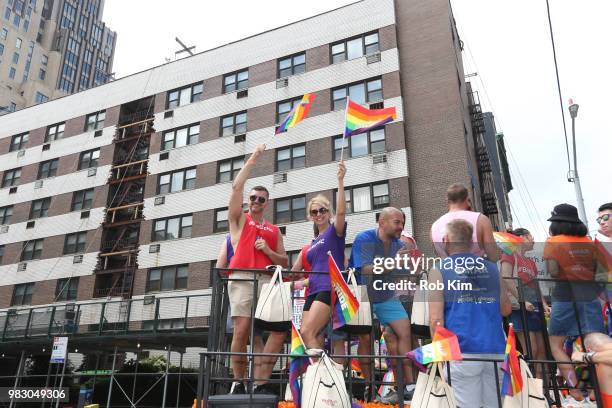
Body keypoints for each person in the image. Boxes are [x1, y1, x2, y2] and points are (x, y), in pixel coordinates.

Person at [428, 219, 512, 408]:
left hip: (461, 350)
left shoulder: (438, 270)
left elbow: (435, 320)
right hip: (495, 349)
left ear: (446, 239)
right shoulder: (492, 269)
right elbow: (505, 309)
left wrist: (438, 356)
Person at [226, 144, 288, 395]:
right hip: (242, 278)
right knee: (242, 329)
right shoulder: (240, 219)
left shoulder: (274, 229)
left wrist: (269, 252)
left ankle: (261, 382)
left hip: (267, 282)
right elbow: (236, 187)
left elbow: (283, 260)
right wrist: (255, 157)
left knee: (274, 331)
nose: (256, 201)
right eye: (252, 198)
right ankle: (238, 380)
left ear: (267, 203)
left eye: (261, 199)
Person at [544, 203, 607, 407]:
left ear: (557, 223)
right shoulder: (589, 242)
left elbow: (553, 271)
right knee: (594, 344)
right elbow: (602, 273)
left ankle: (573, 388)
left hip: (564, 296)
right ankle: (594, 391)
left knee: (556, 345)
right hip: (589, 297)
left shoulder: (553, 241)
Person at [351, 207, 417, 401]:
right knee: (365, 340)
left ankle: (408, 385)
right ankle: (369, 386)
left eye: (402, 223)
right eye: (397, 222)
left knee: (404, 330)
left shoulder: (399, 244)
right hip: (363, 294)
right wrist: (393, 264)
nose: (401, 226)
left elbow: (400, 272)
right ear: (382, 222)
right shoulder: (364, 238)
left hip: (386, 296)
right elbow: (364, 269)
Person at [293, 161, 347, 350]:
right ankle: (320, 373)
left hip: (328, 288)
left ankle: (321, 373)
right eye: (314, 212)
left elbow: (341, 212)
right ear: (311, 216)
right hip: (313, 290)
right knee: (307, 333)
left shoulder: (334, 232)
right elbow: (302, 273)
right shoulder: (313, 242)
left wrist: (340, 181)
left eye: (322, 210)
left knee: (309, 331)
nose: (318, 214)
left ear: (328, 212)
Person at [499, 228, 547, 378]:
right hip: (519, 306)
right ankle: (529, 385)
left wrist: (544, 304)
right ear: (520, 238)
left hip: (534, 304)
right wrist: (522, 300)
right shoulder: (509, 255)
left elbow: (536, 284)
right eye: (529, 235)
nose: (533, 239)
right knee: (530, 348)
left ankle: (541, 387)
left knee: (541, 349)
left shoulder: (530, 261)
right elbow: (506, 278)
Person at [431, 183, 499, 261]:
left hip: (448, 271)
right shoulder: (481, 220)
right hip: (478, 270)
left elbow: (439, 256)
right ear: (467, 199)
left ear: (448, 201)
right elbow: (493, 256)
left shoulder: (434, 227)